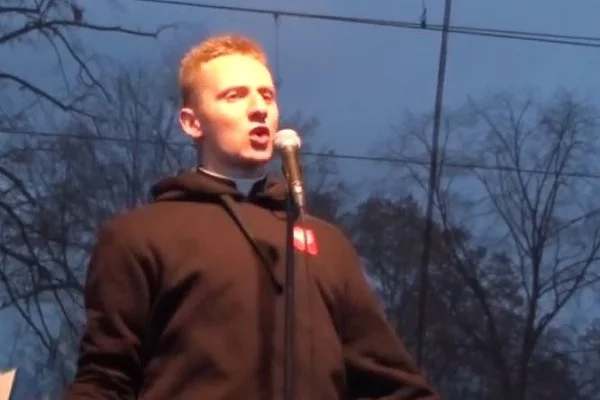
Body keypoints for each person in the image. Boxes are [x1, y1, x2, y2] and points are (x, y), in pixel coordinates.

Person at [65, 33, 439, 400]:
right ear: (192, 123)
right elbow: (107, 378)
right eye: (235, 95)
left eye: (267, 95)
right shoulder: (139, 234)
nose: (259, 108)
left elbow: (392, 383)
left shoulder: (326, 246)